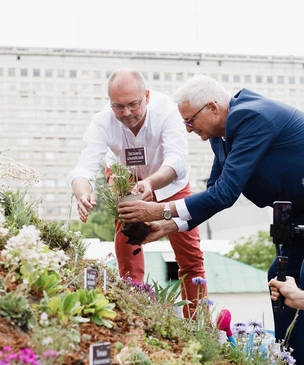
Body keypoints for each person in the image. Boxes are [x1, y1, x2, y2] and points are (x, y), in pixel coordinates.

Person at [117, 74, 304, 363]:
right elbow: (215, 191)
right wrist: (167, 226)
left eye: (190, 121)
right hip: (295, 217)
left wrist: (159, 210)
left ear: (213, 108)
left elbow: (227, 193)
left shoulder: (250, 117)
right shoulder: (221, 135)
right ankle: (289, 357)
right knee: (279, 280)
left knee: (300, 282)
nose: (189, 130)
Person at [67, 68, 206, 318]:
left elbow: (177, 160)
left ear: (147, 96)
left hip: (169, 181)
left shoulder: (167, 111)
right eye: (118, 106)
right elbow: (84, 167)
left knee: (190, 256)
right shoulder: (102, 121)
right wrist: (83, 193)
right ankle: (136, 313)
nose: (127, 113)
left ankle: (198, 322)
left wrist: (151, 183)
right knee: (128, 243)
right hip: (125, 179)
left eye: (133, 104)